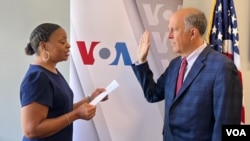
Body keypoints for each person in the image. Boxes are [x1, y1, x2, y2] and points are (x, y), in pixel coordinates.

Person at [131, 8, 242, 141]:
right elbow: (153, 95)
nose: (169, 36)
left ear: (192, 33)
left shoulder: (223, 68)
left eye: (174, 30)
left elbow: (227, 126)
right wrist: (142, 62)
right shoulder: (174, 65)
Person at [20, 23, 108, 141]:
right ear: (44, 46)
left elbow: (60, 110)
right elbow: (31, 130)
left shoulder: (51, 72)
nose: (68, 45)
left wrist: (91, 98)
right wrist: (76, 115)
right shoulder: (37, 77)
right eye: (62, 42)